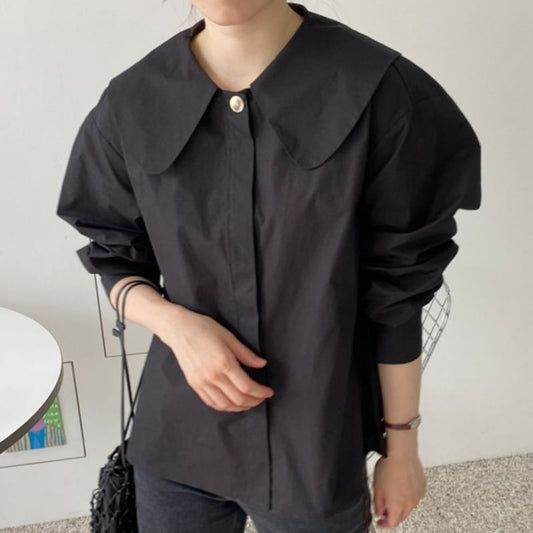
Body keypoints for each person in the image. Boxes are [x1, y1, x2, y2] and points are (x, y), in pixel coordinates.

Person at [56, 1, 482, 531]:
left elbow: (399, 293)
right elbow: (114, 256)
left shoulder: (379, 91)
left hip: (315, 445)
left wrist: (403, 446)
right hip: (178, 436)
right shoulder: (131, 101)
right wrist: (176, 326)